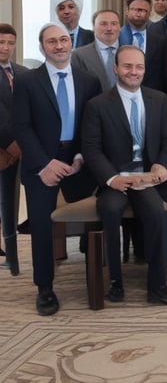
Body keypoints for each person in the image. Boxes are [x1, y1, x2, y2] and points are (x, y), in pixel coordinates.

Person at [82, 45, 167, 305]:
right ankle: (156, 287)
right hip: (119, 176)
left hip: (155, 171)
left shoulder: (158, 99)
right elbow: (92, 149)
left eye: (139, 67)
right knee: (156, 213)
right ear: (116, 69)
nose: (134, 72)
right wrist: (112, 179)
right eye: (127, 66)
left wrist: (159, 163)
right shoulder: (98, 105)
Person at [13, 22, 101, 315]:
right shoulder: (27, 81)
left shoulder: (88, 81)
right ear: (42, 47)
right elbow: (21, 127)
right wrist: (43, 163)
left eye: (64, 40)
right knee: (40, 225)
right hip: (41, 163)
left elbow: (91, 127)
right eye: (52, 41)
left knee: (100, 212)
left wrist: (80, 156)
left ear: (71, 43)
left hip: (79, 162)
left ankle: (99, 276)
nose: (60, 46)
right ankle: (45, 287)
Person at [0, 24, 28, 276]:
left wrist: (20, 145)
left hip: (21, 146)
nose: (5, 47)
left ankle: (12, 256)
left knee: (11, 199)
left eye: (10, 42)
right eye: (0, 42)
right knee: (2, 200)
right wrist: (9, 145)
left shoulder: (23, 72)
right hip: (2, 148)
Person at [118, 0, 166, 91]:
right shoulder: (116, 37)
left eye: (145, 11)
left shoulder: (159, 40)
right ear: (127, 11)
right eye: (137, 10)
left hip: (152, 95)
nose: (140, 14)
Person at [72, 9, 121, 92]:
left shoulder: (132, 53)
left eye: (114, 24)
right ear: (93, 27)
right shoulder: (79, 55)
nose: (109, 28)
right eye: (103, 24)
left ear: (120, 27)